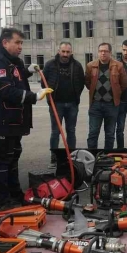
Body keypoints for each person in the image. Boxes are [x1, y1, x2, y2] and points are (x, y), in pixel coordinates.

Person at [0, 28, 52, 209]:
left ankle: (15, 194)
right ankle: (4, 201)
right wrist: (34, 96)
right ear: (5, 42)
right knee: (3, 159)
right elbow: (6, 90)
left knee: (13, 156)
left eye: (21, 43)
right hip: (1, 121)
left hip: (13, 120)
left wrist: (27, 71)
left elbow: (15, 76)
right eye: (17, 43)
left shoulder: (11, 60)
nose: (20, 47)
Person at [41, 40, 84, 168]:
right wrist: (51, 97)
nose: (65, 54)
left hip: (72, 104)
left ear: (71, 52)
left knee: (71, 131)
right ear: (59, 51)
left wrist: (75, 96)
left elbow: (81, 83)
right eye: (63, 51)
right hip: (56, 104)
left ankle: (71, 157)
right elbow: (44, 83)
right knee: (55, 132)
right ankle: (54, 158)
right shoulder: (50, 65)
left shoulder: (77, 66)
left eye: (68, 52)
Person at [85, 43, 127, 150]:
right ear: (98, 52)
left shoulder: (118, 66)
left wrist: (116, 92)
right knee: (93, 133)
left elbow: (124, 83)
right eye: (100, 51)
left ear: (110, 52)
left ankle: (107, 157)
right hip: (95, 105)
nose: (103, 53)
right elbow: (87, 82)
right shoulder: (91, 66)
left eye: (105, 51)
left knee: (110, 134)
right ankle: (92, 157)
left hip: (112, 105)